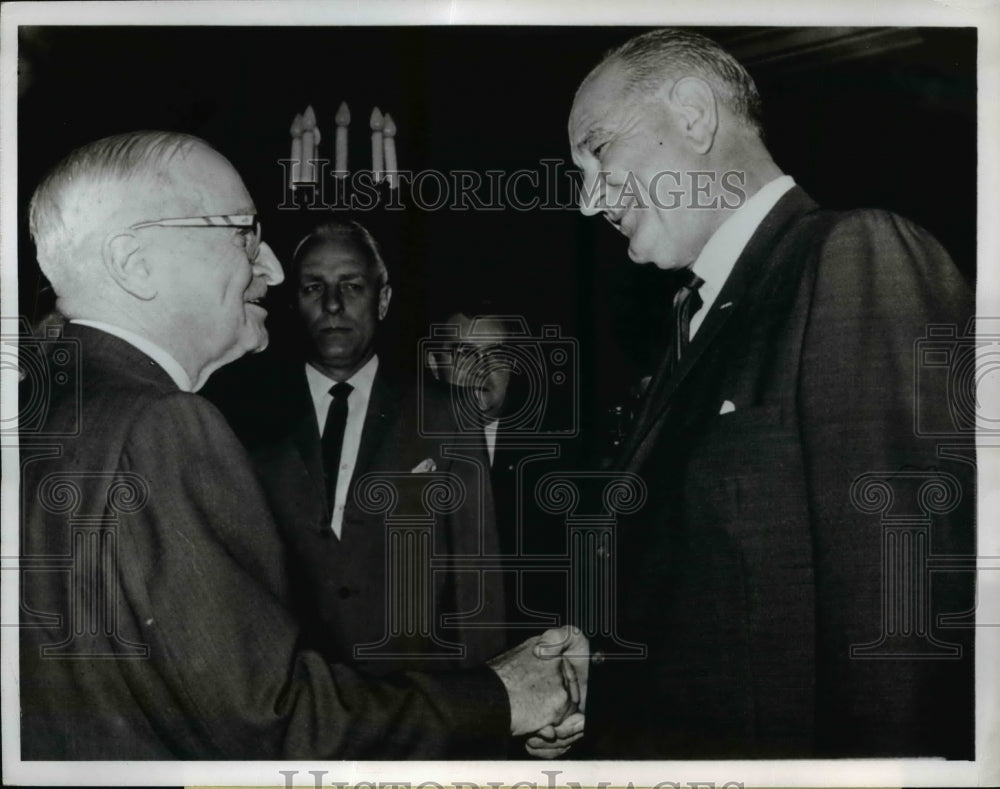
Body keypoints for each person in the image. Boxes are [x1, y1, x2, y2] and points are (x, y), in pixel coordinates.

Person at [18, 131, 587, 760]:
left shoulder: (45, 404)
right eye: (242, 233)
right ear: (133, 261)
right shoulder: (165, 424)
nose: (273, 269)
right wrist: (502, 698)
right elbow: (272, 721)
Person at [567, 29, 975, 758]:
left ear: (692, 116)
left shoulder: (853, 257)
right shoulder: (693, 322)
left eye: (597, 151)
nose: (588, 199)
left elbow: (898, 627)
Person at [242, 222, 509, 673]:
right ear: (293, 301)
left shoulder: (445, 419)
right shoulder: (246, 420)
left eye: (352, 285)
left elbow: (476, 595)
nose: (332, 304)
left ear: (383, 299)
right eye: (313, 287)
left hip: (420, 707)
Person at [425, 304, 578, 644]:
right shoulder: (400, 453)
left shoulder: (554, 465)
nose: (482, 369)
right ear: (435, 365)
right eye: (465, 354)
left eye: (496, 355)